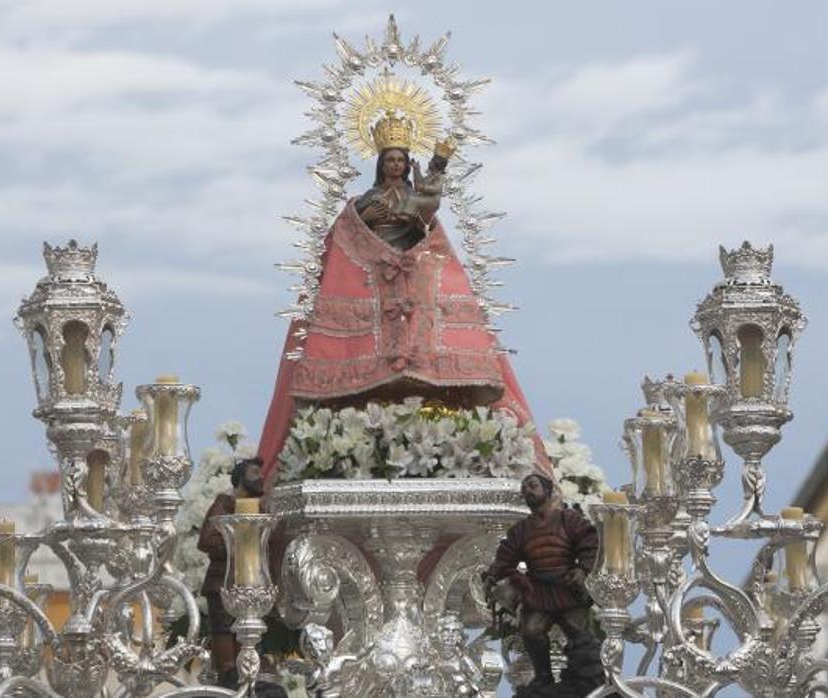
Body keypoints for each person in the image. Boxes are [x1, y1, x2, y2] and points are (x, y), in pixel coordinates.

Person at [257, 110, 550, 480]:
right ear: (380, 164)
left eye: (400, 159)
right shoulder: (365, 201)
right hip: (372, 279)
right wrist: (364, 216)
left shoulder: (413, 196)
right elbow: (348, 230)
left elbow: (427, 214)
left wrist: (435, 172)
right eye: (390, 160)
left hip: (411, 278)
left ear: (405, 163)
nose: (395, 165)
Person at [483, 473, 605, 696]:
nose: (528, 491)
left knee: (580, 633)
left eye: (532, 485)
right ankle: (543, 677)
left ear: (548, 490)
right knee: (531, 630)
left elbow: (589, 541)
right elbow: (506, 555)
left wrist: (582, 569)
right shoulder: (522, 530)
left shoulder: (569, 519)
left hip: (568, 588)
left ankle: (593, 679)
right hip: (538, 590)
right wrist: (493, 573)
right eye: (524, 488)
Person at [197, 456, 267, 689]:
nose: (261, 478)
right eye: (254, 473)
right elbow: (206, 540)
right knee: (225, 647)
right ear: (240, 478)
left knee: (248, 647)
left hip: (252, 586)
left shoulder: (260, 508)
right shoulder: (223, 505)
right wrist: (237, 546)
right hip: (223, 585)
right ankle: (226, 687)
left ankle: (247, 687)